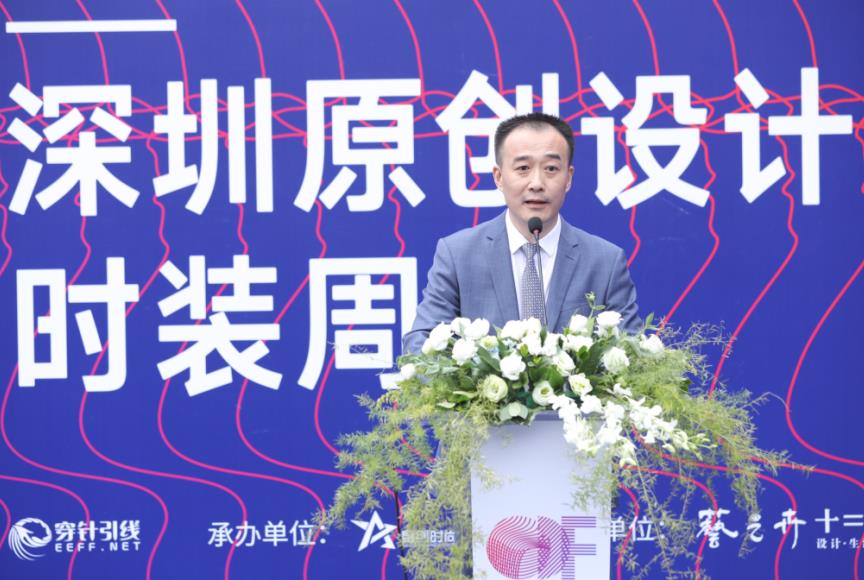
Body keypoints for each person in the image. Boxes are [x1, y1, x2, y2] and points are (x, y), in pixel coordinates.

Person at [402, 112, 640, 354]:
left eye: (551, 168)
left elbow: (633, 353)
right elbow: (421, 343)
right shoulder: (458, 255)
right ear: (499, 177)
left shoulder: (605, 262)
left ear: (568, 178)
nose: (536, 183)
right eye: (523, 168)